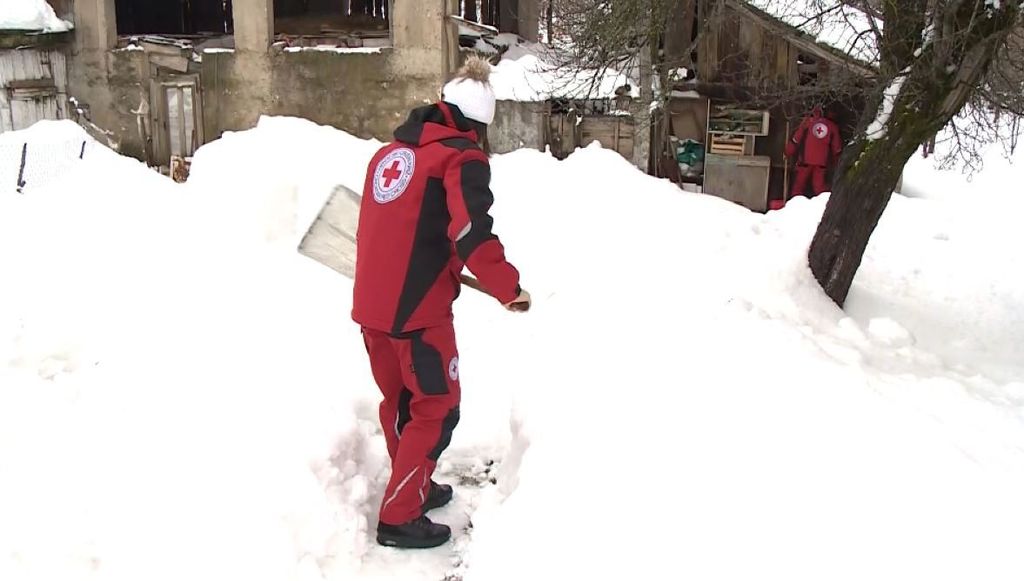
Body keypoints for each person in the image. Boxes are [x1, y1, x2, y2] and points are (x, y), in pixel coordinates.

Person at [352, 57, 531, 549]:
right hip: (418, 313)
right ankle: (400, 515)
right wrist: (506, 286)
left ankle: (414, 484)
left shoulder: (390, 154)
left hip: (371, 307)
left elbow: (410, 227)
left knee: (403, 404)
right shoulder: (460, 158)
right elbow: (471, 231)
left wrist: (449, 263)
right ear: (477, 125)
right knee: (437, 407)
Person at [785, 106, 842, 199]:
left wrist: (787, 152)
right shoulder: (833, 127)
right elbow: (837, 149)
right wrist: (836, 164)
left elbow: (796, 140)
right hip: (821, 163)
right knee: (820, 190)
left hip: (804, 161)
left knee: (798, 189)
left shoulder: (807, 122)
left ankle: (794, 206)